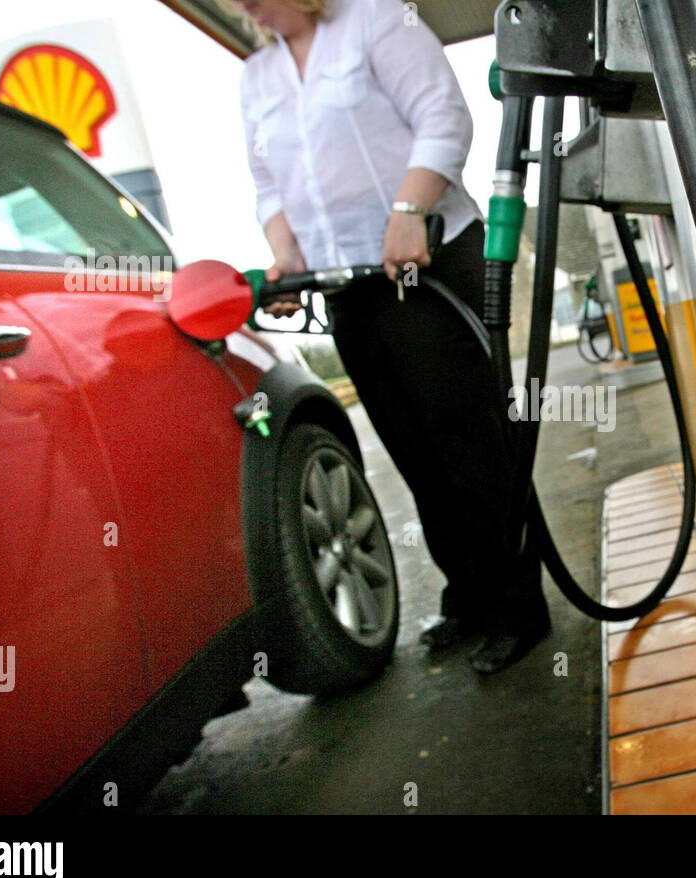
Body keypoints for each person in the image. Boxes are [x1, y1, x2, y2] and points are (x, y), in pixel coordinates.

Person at [225, 0, 550, 672]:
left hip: (424, 259)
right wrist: (286, 257)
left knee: (471, 441)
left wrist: (409, 209)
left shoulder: (376, 20)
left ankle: (520, 609)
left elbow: (442, 114)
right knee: (414, 451)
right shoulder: (256, 77)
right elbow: (267, 186)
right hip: (349, 284)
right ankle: (471, 593)